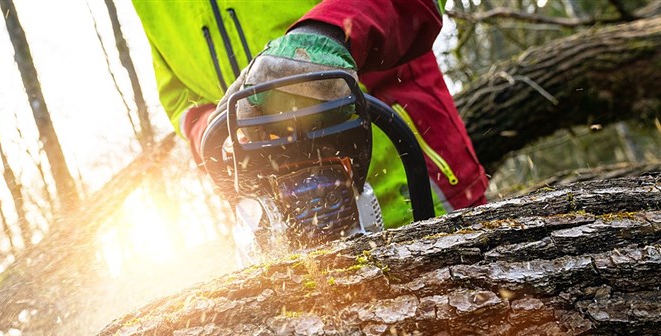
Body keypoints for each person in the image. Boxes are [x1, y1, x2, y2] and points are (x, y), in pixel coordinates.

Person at [132, 0, 488, 229]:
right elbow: (179, 95)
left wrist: (328, 34)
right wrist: (214, 130)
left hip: (415, 185)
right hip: (284, 225)